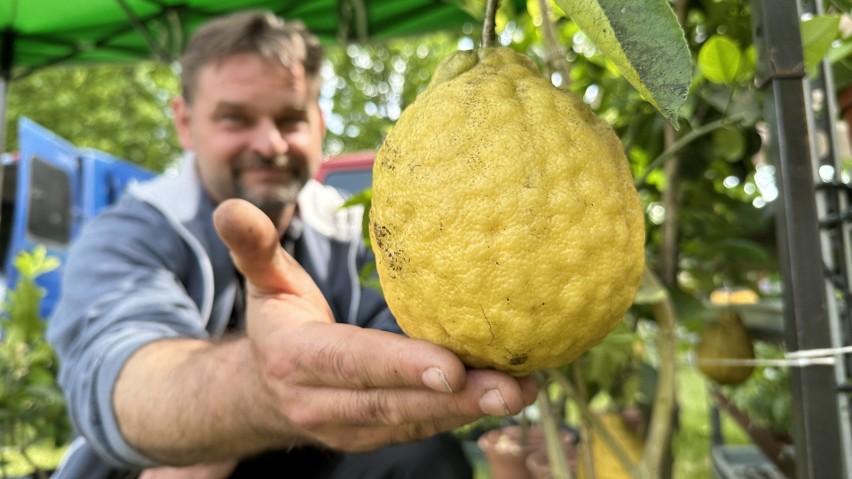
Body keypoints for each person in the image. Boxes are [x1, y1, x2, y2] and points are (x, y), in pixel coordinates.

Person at [46, 10, 536, 479]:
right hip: (154, 469)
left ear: (319, 124)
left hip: (314, 459)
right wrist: (258, 389)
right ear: (184, 121)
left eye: (289, 119)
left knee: (427, 459)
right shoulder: (132, 230)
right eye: (235, 119)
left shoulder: (356, 233)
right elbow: (117, 371)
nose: (271, 144)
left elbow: (421, 339)